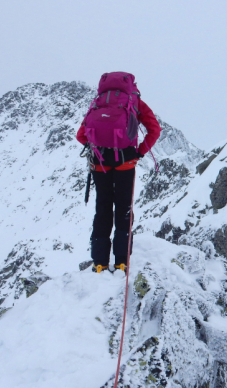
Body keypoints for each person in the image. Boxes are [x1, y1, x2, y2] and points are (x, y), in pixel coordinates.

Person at [76, 72, 161, 273]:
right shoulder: (135, 102)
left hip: (99, 164)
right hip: (125, 163)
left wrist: (98, 149)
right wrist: (138, 152)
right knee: (123, 209)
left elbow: (81, 135)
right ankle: (121, 261)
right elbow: (154, 130)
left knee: (103, 208)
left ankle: (99, 262)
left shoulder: (98, 103)